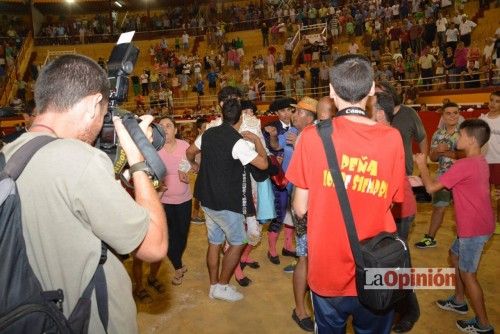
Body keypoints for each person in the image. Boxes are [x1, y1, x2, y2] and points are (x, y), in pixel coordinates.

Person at [1, 54, 167, 333]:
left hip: (39, 315)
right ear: (92, 105)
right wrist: (138, 161)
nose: (101, 125)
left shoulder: (10, 153)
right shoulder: (78, 158)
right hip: (89, 321)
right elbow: (153, 246)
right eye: (103, 115)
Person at [286, 54, 405, 333]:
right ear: (373, 89)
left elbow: (300, 207)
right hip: (378, 264)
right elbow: (393, 200)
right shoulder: (392, 138)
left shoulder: (312, 137)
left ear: (330, 91)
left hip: (328, 265)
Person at [186, 87, 269, 302]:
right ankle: (222, 286)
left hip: (206, 199)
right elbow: (263, 163)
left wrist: (195, 165)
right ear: (241, 117)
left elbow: (189, 152)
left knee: (214, 242)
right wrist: (257, 141)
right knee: (238, 242)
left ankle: (214, 286)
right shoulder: (239, 142)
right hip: (225, 203)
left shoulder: (208, 133)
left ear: (222, 114)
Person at [414, 119, 495, 334]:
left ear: (470, 140)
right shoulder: (479, 161)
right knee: (454, 255)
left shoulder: (464, 165)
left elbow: (431, 188)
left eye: (459, 136)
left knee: (469, 274)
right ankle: (459, 300)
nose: (456, 139)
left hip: (473, 230)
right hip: (481, 224)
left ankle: (483, 325)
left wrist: (422, 165)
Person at [285, 97, 318, 333]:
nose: (292, 115)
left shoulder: (310, 137)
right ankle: (300, 309)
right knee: (305, 256)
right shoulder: (304, 136)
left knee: (309, 257)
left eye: (297, 112)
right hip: (303, 206)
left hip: (310, 204)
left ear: (308, 116)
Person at [415, 102, 461, 249]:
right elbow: (433, 158)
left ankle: (463, 239)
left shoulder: (465, 132)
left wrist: (446, 150)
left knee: (462, 209)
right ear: (443, 116)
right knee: (438, 208)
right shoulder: (438, 133)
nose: (452, 116)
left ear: (459, 114)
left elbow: (467, 156)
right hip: (443, 175)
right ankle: (430, 238)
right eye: (448, 113)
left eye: (455, 112)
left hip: (462, 177)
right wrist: (438, 152)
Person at [263, 97, 298, 265]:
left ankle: (288, 245)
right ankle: (271, 249)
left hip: (297, 178)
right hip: (280, 180)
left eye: (289, 110)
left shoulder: (300, 126)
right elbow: (269, 152)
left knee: (296, 213)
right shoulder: (269, 129)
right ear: (276, 113)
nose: (286, 114)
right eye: (282, 111)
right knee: (280, 214)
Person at [479, 91, 500, 235]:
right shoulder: (482, 119)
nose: (493, 103)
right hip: (484, 162)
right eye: (491, 100)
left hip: (499, 161)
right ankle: (487, 221)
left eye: (497, 101)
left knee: (498, 195)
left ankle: (498, 223)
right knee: (484, 194)